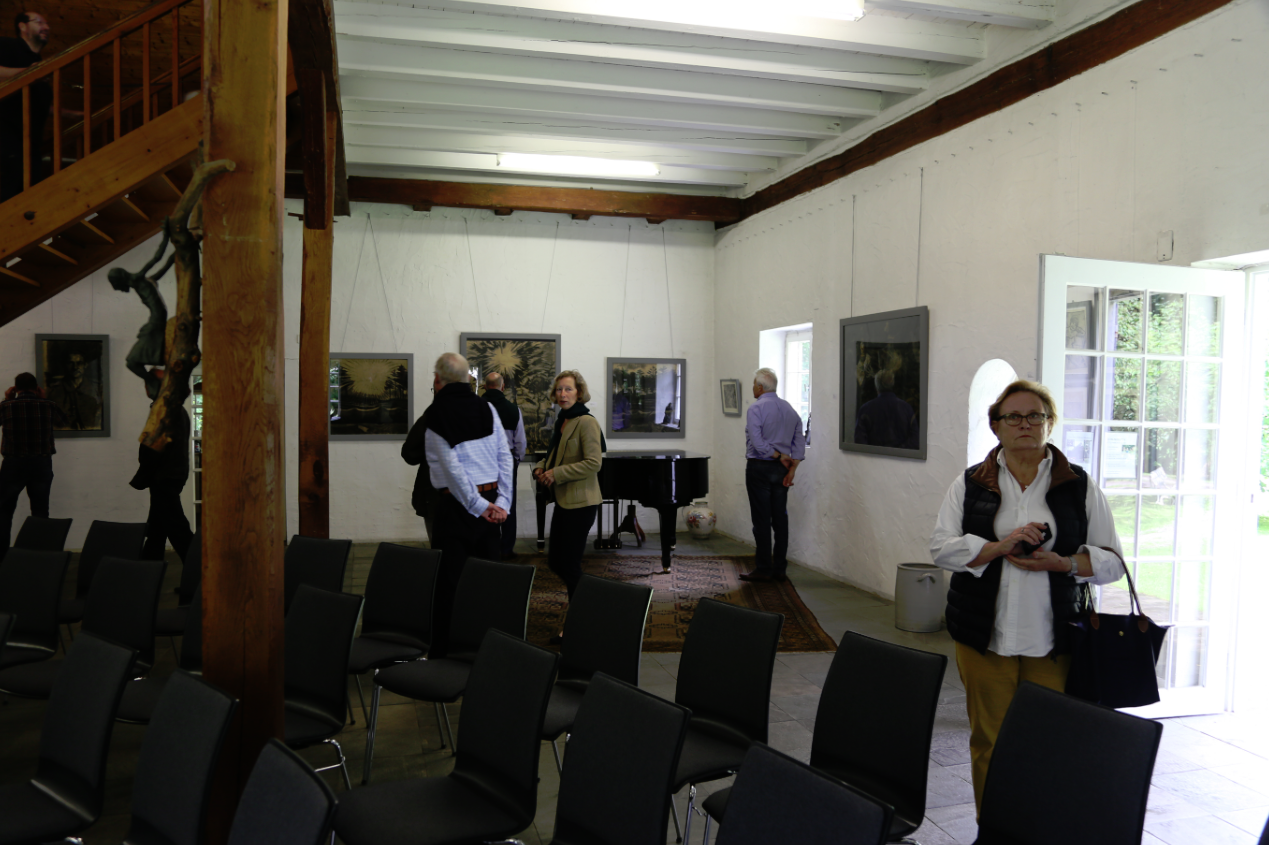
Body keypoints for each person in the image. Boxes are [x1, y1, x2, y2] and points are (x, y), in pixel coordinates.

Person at [929, 379, 1124, 813]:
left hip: (1054, 641)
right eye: (1013, 417)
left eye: (1035, 416)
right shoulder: (970, 483)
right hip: (984, 636)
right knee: (990, 741)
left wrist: (1063, 562)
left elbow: (1113, 563)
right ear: (996, 426)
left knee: (1048, 741)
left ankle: (1037, 828)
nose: (1025, 424)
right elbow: (940, 548)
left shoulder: (1079, 485)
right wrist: (998, 547)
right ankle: (994, 830)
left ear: (1049, 424)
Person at [425, 352, 513, 657]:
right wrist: (502, 502)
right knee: (487, 582)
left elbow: (452, 469)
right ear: (468, 379)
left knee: (450, 585)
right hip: (489, 504)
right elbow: (505, 457)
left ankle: (444, 656)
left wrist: (481, 506)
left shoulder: (436, 414)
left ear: (438, 380)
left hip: (456, 507)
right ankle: (487, 652)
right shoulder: (488, 409)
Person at [532, 369, 603, 632]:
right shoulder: (563, 420)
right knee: (555, 562)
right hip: (564, 502)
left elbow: (594, 463)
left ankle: (580, 619)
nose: (563, 394)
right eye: (559, 389)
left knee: (569, 564)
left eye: (568, 389)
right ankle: (586, 607)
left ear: (579, 393)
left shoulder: (586, 422)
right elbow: (555, 455)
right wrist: (541, 467)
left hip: (581, 504)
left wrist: (557, 474)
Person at [741, 367, 805, 583]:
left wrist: (777, 455)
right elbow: (799, 440)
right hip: (782, 470)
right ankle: (779, 569)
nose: (753, 387)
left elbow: (758, 443)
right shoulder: (789, 409)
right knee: (780, 519)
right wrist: (792, 467)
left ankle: (763, 568)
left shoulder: (755, 408)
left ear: (760, 387)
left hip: (760, 468)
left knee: (761, 520)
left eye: (754, 384)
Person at [0, 372, 65, 559]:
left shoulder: (6, 406)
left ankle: (2, 557)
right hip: (41, 464)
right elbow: (63, 422)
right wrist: (44, 399)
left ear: (15, 388)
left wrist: (7, 399)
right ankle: (39, 557)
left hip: (13, 464)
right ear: (37, 388)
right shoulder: (48, 405)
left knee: (4, 511)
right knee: (40, 510)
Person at [130, 404, 194, 562]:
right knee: (158, 528)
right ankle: (148, 567)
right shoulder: (176, 409)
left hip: (163, 477)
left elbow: (151, 448)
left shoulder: (165, 410)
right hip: (170, 475)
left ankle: (198, 569)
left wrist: (144, 473)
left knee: (177, 528)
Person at [0, 12, 51, 201]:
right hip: (7, 138)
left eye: (46, 23)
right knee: (9, 193)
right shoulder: (7, 46)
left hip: (31, 143)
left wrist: (70, 114)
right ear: (22, 26)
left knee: (29, 196)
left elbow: (34, 101)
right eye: (39, 22)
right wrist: (28, 72)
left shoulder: (36, 60)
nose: (46, 27)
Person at [481, 372, 526, 559]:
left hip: (482, 463)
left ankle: (486, 547)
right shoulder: (513, 410)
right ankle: (506, 548)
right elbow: (520, 443)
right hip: (506, 463)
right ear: (503, 386)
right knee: (507, 504)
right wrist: (516, 461)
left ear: (485, 386)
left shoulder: (476, 408)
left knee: (485, 503)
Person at [854, 369, 918, 449]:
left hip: (873, 456)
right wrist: (899, 451)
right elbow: (915, 440)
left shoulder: (865, 409)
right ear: (893, 383)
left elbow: (859, 441)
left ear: (876, 386)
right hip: (901, 456)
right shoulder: (906, 408)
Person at [45, 349, 101, 430]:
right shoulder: (54, 392)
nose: (75, 367)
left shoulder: (95, 390)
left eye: (79, 363)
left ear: (85, 365)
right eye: (70, 363)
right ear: (65, 365)